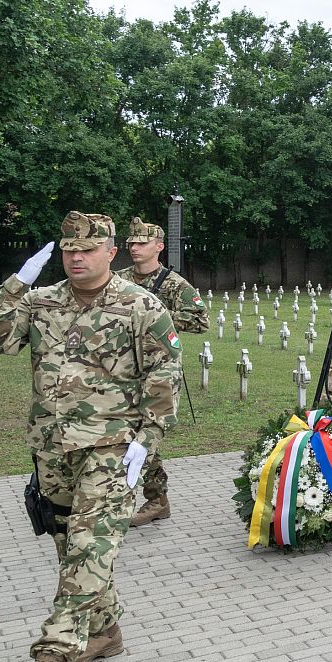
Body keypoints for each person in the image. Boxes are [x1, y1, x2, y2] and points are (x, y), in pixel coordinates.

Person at [0, 212, 181, 662]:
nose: (76, 258)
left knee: (90, 544)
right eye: (68, 250)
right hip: (52, 447)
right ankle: (105, 631)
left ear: (110, 252)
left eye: (87, 249)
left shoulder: (141, 306)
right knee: (71, 545)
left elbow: (164, 377)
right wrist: (15, 284)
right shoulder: (40, 303)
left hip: (112, 449)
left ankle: (52, 653)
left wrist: (145, 444)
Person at [116, 216, 209, 526]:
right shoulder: (119, 279)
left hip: (159, 370)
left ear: (159, 247)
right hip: (123, 368)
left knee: (148, 433)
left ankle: (156, 499)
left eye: (141, 243)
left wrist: (156, 317)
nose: (134, 247)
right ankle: (142, 496)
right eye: (131, 242)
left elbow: (199, 320)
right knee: (123, 430)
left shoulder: (173, 284)